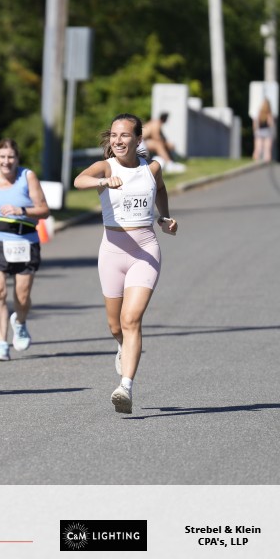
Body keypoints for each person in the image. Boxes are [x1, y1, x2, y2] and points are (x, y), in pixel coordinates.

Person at [74, 113, 178, 414]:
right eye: (114, 135)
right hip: (112, 252)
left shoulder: (152, 168)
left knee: (131, 319)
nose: (118, 140)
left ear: (138, 139)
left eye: (124, 135)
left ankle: (126, 387)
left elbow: (160, 189)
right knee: (115, 325)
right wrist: (103, 181)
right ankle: (121, 345)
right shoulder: (106, 166)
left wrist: (164, 217)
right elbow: (79, 180)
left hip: (145, 250)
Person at [0, 138, 50, 361]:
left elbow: (44, 210)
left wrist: (21, 210)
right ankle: (1, 344)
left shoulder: (27, 177)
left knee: (22, 296)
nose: (6, 161)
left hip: (24, 241)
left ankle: (20, 322)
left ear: (17, 158)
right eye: (2, 157)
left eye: (11, 157)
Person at [252, 98, 276, 163]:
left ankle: (255, 162)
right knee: (267, 150)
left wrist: (255, 131)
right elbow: (271, 124)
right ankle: (266, 163)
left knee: (258, 149)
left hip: (259, 132)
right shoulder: (269, 114)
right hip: (267, 132)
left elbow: (255, 124)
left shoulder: (259, 113)